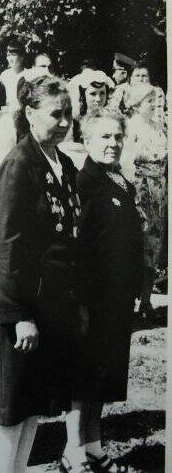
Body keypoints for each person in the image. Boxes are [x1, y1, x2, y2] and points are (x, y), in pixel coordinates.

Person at [0, 75, 88, 473]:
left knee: (33, 402)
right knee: (12, 404)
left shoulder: (60, 163)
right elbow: (7, 248)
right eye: (55, 114)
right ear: (30, 114)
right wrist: (19, 315)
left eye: (69, 114)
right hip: (25, 309)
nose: (64, 123)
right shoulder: (18, 166)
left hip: (52, 304)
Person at [75, 108, 143, 473]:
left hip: (117, 298)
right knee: (85, 378)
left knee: (101, 379)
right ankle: (76, 451)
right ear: (86, 141)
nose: (113, 143)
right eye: (104, 136)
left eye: (117, 136)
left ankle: (93, 447)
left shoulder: (119, 181)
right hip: (93, 299)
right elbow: (81, 247)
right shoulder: (85, 183)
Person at [121, 83, 167, 320]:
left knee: (153, 246)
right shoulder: (129, 128)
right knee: (135, 243)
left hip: (158, 191)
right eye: (149, 101)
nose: (154, 105)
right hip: (138, 189)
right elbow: (125, 162)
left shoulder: (160, 128)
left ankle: (147, 300)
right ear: (137, 105)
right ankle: (128, 300)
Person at [0, 36, 27, 109]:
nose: (10, 59)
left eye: (13, 55)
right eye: (8, 55)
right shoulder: (4, 75)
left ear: (22, 57)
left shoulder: (28, 75)